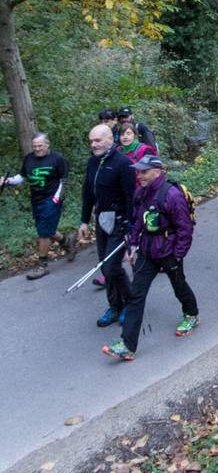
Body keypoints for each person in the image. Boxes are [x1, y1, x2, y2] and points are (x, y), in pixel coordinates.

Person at [102, 155, 199, 360]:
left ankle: (191, 314)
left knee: (178, 284)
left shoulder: (171, 195)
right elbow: (138, 220)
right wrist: (134, 245)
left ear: (158, 172)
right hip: (147, 252)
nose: (140, 175)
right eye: (138, 171)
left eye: (144, 172)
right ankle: (127, 345)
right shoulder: (141, 193)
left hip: (169, 252)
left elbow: (185, 228)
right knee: (136, 296)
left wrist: (178, 255)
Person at [80, 124, 135, 327]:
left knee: (112, 267)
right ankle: (115, 306)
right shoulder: (92, 162)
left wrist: (131, 227)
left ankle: (131, 303)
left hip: (120, 221)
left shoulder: (123, 163)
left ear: (110, 140)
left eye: (97, 140)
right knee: (105, 266)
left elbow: (131, 197)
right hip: (100, 220)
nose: (93, 145)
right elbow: (87, 192)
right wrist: (84, 220)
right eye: (91, 141)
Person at [0, 133, 74, 280]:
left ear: (47, 145)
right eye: (35, 146)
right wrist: (6, 181)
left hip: (51, 200)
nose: (37, 149)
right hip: (36, 200)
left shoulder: (57, 159)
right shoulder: (29, 158)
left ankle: (43, 265)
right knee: (47, 229)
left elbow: (65, 180)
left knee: (44, 233)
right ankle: (67, 242)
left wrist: (56, 199)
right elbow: (21, 177)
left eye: (40, 146)